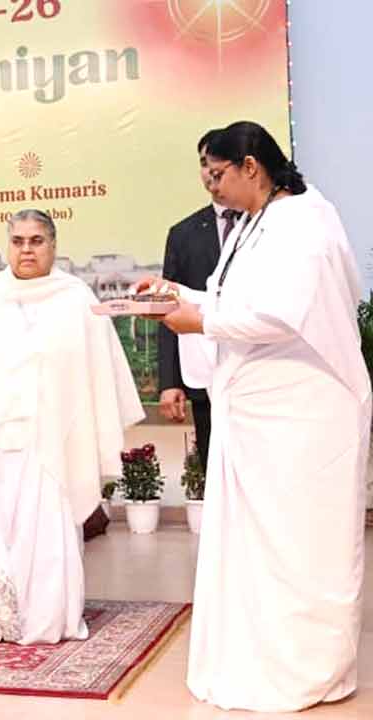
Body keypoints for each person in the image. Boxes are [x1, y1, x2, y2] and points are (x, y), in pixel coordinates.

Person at [141, 121, 369, 712]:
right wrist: (176, 295)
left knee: (297, 545)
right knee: (256, 547)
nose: (210, 184)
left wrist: (200, 320)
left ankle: (306, 671)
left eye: (218, 173)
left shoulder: (305, 222)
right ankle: (255, 659)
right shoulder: (256, 222)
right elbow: (232, 301)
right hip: (257, 418)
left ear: (251, 166)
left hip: (302, 416)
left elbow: (280, 315)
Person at [0, 209, 143, 645]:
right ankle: (0, 619)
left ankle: (50, 618)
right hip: (1, 435)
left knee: (50, 531)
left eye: (36, 241)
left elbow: (100, 369)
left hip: (58, 436)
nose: (26, 250)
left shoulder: (75, 297)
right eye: (18, 241)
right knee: (0, 528)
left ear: (53, 246)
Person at [156, 129, 238, 470]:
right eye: (204, 163)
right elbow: (167, 307)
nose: (210, 172)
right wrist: (170, 383)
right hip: (205, 376)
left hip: (258, 373)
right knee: (215, 473)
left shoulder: (264, 224)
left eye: (217, 163)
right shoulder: (183, 234)